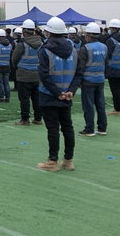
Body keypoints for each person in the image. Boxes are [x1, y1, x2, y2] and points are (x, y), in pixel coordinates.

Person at [36, 17, 83, 171]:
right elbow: (78, 73)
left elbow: (43, 75)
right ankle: (68, 160)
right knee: (67, 128)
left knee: (53, 129)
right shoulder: (73, 50)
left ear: (49, 33)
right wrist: (71, 91)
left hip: (49, 95)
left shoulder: (45, 50)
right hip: (66, 96)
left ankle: (52, 161)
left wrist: (57, 93)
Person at [77, 23, 108, 136]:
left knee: (88, 106)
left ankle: (89, 129)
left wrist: (79, 81)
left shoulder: (85, 48)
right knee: (100, 105)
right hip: (100, 79)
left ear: (89, 35)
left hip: (88, 81)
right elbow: (106, 63)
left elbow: (81, 67)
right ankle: (102, 128)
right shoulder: (104, 47)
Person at [11, 19, 43, 126]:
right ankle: (38, 118)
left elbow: (14, 59)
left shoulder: (22, 44)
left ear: (24, 31)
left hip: (24, 75)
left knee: (24, 99)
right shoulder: (41, 43)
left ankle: (25, 119)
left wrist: (17, 67)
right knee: (36, 98)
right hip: (37, 74)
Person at [105, 19, 120, 116]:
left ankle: (118, 109)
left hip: (113, 68)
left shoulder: (111, 40)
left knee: (115, 90)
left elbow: (108, 54)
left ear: (112, 28)